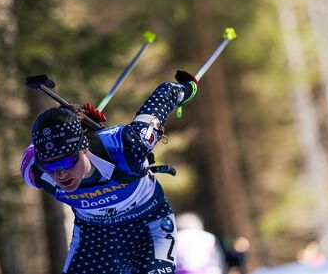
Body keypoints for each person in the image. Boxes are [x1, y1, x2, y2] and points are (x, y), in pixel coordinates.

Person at [20, 71, 198, 274]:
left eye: (68, 161)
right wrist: (75, 118)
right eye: (50, 167)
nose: (60, 174)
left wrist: (187, 87)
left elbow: (165, 95)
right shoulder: (35, 171)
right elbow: (45, 140)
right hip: (95, 239)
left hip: (146, 228)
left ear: (83, 147)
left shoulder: (127, 146)